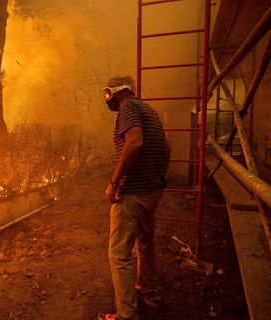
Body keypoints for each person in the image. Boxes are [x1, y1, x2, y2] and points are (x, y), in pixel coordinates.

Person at [98, 75, 170, 320]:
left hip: (133, 195)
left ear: (117, 92)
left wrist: (114, 181)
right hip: (152, 192)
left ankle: (126, 315)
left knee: (119, 254)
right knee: (145, 245)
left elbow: (135, 142)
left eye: (107, 93)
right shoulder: (149, 110)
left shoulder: (128, 108)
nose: (107, 99)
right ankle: (150, 293)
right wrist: (159, 178)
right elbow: (167, 149)